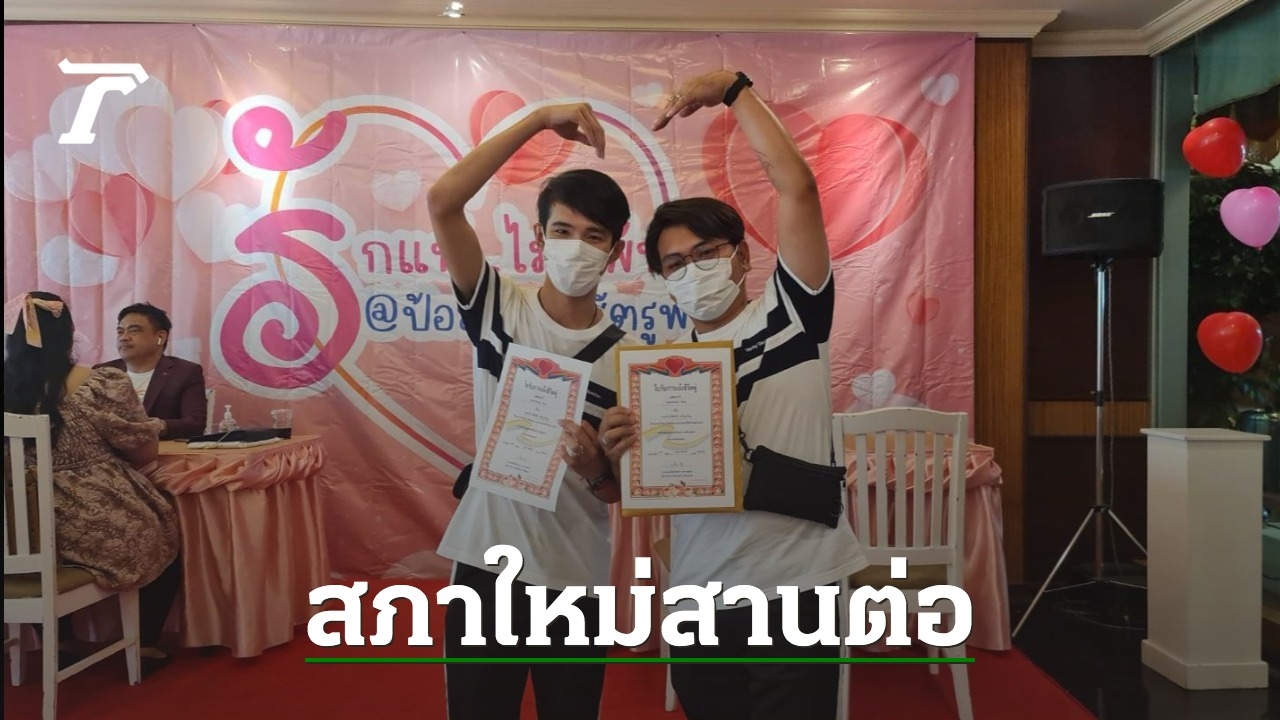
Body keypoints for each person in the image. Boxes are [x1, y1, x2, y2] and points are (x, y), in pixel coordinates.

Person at [597, 70, 870, 719]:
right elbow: (638, 487)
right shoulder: (657, 372)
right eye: (675, 264)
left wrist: (734, 90)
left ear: (742, 258)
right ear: (662, 281)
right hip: (699, 591)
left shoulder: (792, 317)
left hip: (796, 586)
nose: (692, 271)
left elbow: (797, 187)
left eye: (706, 253)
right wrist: (615, 454)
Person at [427, 102, 642, 720]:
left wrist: (596, 468)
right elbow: (444, 201)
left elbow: (616, 492)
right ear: (539, 236)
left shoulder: (631, 360)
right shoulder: (500, 308)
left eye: (594, 236)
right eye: (563, 231)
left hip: (577, 575)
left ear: (615, 251)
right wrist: (539, 120)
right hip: (487, 562)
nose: (577, 247)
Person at [4, 291, 182, 676]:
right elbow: (143, 452)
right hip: (91, 520)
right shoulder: (97, 382)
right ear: (68, 333)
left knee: (35, 550)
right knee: (163, 533)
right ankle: (146, 645)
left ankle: (60, 641)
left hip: (20, 530)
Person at [95, 302, 207, 440]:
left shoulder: (185, 373)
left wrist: (158, 426)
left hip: (158, 449)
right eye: (120, 332)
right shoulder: (102, 372)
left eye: (134, 331)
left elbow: (195, 424)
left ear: (160, 337)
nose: (124, 337)